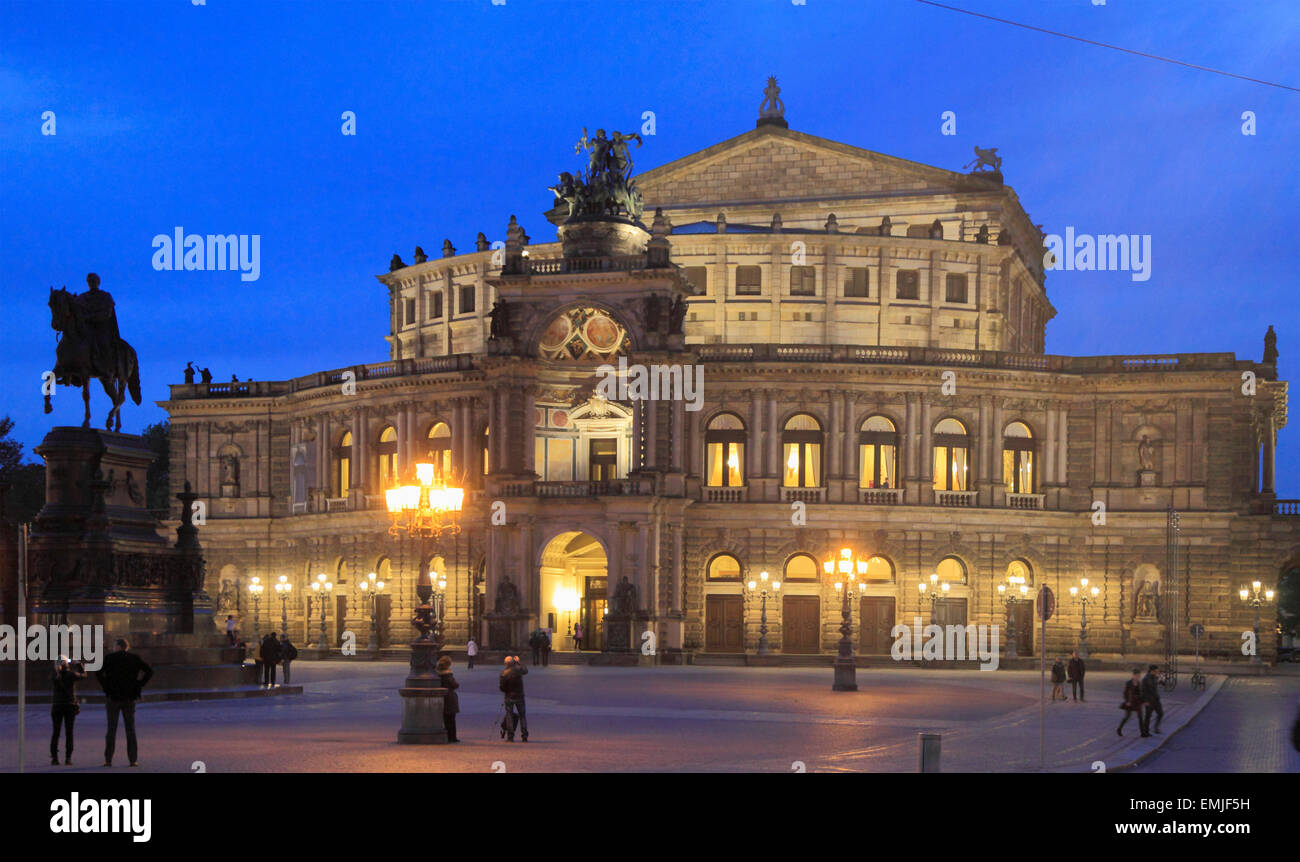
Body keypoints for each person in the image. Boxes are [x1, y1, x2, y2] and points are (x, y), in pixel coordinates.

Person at [97, 638, 154, 767]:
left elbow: (98, 672)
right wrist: (139, 685)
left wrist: (106, 687)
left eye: (114, 645)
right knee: (130, 729)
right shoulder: (134, 658)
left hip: (113, 697)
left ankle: (108, 759)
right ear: (126, 647)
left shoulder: (109, 658)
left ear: (118, 646)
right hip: (129, 697)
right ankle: (133, 759)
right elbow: (149, 671)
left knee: (111, 729)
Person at [50, 656, 85, 766]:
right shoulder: (71, 675)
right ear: (66, 663)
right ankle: (68, 758)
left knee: (56, 733)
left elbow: (55, 674)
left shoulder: (55, 675)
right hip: (69, 706)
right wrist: (79, 664)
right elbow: (84, 675)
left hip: (57, 706)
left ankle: (55, 758)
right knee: (69, 733)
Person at [499, 655, 529, 742]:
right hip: (520, 695)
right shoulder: (518, 670)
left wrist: (507, 691)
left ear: (505, 663)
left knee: (509, 716)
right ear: (513, 662)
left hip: (509, 696)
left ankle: (510, 736)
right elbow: (525, 671)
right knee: (522, 716)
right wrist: (519, 662)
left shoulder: (503, 674)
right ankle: (524, 735)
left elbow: (502, 688)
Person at [436, 656, 461, 743]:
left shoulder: (436, 674)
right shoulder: (448, 675)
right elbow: (454, 685)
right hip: (449, 697)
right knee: (451, 718)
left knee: (445, 718)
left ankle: (447, 735)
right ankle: (452, 737)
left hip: (441, 697)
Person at [1117, 668, 1146, 737]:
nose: (1138, 677)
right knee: (1127, 716)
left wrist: (1143, 701)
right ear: (1134, 675)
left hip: (1137, 702)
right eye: (1137, 676)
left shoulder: (1139, 683)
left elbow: (1140, 693)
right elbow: (1125, 693)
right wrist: (1127, 701)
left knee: (1140, 717)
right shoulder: (1128, 683)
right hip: (1130, 702)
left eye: (1139, 676)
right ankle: (1119, 729)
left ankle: (1142, 733)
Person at [1141, 664, 1164, 734]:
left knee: (1160, 713)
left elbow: (1157, 683)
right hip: (1149, 700)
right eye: (1156, 671)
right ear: (1152, 671)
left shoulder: (1154, 676)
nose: (1158, 672)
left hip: (1156, 699)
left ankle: (1156, 728)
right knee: (1148, 716)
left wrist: (1162, 682)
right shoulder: (1146, 678)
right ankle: (1146, 731)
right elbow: (1151, 685)